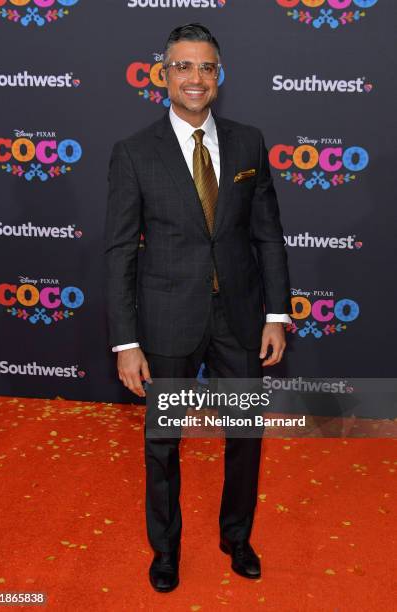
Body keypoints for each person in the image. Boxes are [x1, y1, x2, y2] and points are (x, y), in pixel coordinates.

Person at [105, 23, 292, 593]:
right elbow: (119, 251)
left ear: (219, 76)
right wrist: (126, 341)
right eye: (182, 66)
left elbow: (267, 235)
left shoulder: (247, 141)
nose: (195, 78)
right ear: (163, 75)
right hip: (166, 320)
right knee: (162, 444)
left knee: (245, 437)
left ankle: (236, 537)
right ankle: (165, 550)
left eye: (206, 67)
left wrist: (277, 314)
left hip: (238, 318)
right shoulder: (134, 153)